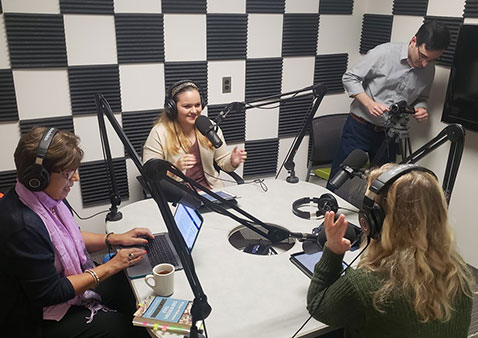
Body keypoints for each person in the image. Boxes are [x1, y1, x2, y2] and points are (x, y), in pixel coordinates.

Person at [0, 127, 154, 338]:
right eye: (67, 173)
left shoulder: (43, 199)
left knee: (126, 284)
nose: (76, 178)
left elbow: (69, 238)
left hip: (59, 294)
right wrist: (113, 265)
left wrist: (113, 239)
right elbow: (51, 292)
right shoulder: (22, 225)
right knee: (128, 329)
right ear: (38, 177)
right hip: (39, 319)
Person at [307, 164, 474, 338]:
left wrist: (332, 251)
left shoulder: (364, 285)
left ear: (374, 222)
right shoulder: (459, 270)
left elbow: (317, 306)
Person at [327, 21, 450, 191]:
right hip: (359, 128)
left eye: (432, 59)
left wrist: (422, 108)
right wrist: (369, 103)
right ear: (413, 41)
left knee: (384, 186)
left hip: (390, 134)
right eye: (423, 56)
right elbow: (349, 77)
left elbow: (422, 96)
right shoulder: (383, 53)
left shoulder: (429, 68)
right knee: (341, 180)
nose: (425, 64)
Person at [143, 80, 247, 189]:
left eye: (197, 105)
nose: (194, 111)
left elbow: (222, 161)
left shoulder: (208, 126)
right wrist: (175, 169)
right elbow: (150, 175)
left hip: (211, 191)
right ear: (172, 108)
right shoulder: (159, 132)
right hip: (178, 194)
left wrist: (233, 161)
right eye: (187, 106)